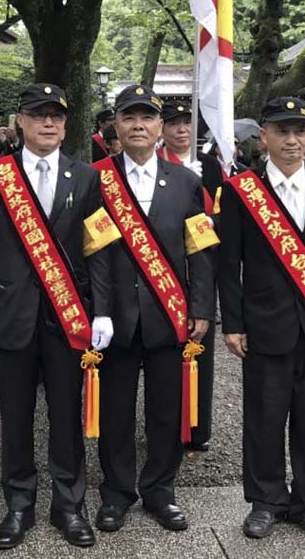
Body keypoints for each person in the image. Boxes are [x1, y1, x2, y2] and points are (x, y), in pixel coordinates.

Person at [0, 84, 114, 549]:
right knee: (15, 415)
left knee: (67, 415)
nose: (48, 123)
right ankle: (18, 504)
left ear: (66, 124)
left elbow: (99, 248)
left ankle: (69, 505)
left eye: (56, 116)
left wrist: (103, 310)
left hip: (69, 317)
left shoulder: (85, 177)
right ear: (19, 123)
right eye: (38, 115)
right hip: (11, 314)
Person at [218, 97, 305, 544]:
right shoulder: (240, 191)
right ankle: (266, 501)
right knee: (264, 415)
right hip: (263, 323)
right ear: (264, 137)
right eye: (282, 130)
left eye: (300, 130)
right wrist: (233, 323)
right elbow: (229, 264)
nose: (292, 140)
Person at [93, 85, 217, 535]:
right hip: (117, 320)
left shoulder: (186, 182)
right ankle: (117, 492)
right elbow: (95, 253)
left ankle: (160, 490)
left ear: (161, 127)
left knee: (166, 409)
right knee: (116, 410)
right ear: (117, 126)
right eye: (129, 118)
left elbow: (200, 250)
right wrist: (99, 311)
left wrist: (203, 306)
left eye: (147, 118)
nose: (138, 126)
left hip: (171, 314)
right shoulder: (97, 178)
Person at [157, 100, 220, 450]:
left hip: (199, 264)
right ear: (161, 129)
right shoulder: (155, 163)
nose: (182, 130)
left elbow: (227, 213)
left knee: (198, 352)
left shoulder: (211, 165)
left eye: (187, 124)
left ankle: (197, 428)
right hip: (160, 268)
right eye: (174, 124)